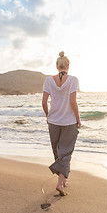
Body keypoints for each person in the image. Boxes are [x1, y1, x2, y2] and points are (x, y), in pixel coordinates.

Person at [42, 51, 81, 196]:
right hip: (69, 122)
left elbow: (44, 102)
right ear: (68, 66)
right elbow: (72, 102)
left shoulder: (48, 81)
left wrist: (48, 116)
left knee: (58, 152)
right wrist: (78, 118)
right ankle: (60, 184)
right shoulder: (73, 80)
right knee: (66, 152)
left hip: (54, 121)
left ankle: (63, 180)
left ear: (57, 66)